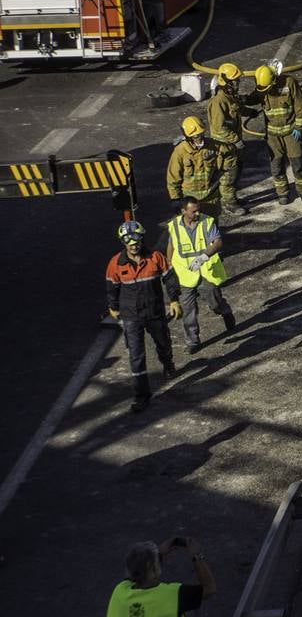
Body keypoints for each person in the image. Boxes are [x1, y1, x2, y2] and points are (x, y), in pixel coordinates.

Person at [106, 221, 182, 412]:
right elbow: (112, 287)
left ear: (141, 239)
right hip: (131, 316)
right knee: (136, 356)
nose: (134, 245)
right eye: (130, 243)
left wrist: (174, 300)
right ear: (124, 243)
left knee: (163, 342)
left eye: (137, 241)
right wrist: (113, 307)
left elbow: (170, 278)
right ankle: (142, 396)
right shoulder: (115, 264)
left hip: (155, 312)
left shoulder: (156, 257)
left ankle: (168, 362)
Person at [165, 195, 236, 354]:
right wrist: (168, 264)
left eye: (198, 210)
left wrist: (203, 257)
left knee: (215, 303)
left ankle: (225, 311)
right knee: (188, 310)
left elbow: (217, 242)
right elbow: (171, 245)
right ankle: (192, 341)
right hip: (185, 275)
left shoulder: (207, 222)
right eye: (193, 211)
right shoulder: (174, 226)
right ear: (184, 211)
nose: (197, 214)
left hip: (205, 273)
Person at [106, 536, 215, 617]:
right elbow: (209, 588)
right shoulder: (174, 596)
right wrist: (197, 556)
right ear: (155, 571)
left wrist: (156, 554)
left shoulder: (120, 591)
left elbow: (135, 572)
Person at [253, 63, 302, 205]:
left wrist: (299, 126)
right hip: (273, 136)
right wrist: (241, 101)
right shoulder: (263, 85)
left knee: (298, 163)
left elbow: (300, 105)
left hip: (291, 133)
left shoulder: (289, 83)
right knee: (276, 166)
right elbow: (254, 97)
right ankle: (283, 193)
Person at [205, 62, 249, 215]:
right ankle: (229, 204)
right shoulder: (219, 101)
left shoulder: (230, 96)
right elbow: (218, 128)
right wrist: (235, 139)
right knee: (228, 176)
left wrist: (250, 112)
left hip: (233, 146)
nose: (238, 83)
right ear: (226, 82)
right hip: (224, 147)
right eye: (235, 81)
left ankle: (232, 198)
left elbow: (237, 110)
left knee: (236, 171)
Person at [166, 116, 224, 220]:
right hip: (190, 201)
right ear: (188, 137)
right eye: (196, 136)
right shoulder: (180, 151)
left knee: (212, 228)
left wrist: (223, 177)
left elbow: (229, 153)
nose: (200, 138)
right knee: (193, 230)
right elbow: (173, 178)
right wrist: (175, 199)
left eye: (201, 134)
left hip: (210, 198)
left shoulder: (212, 145)